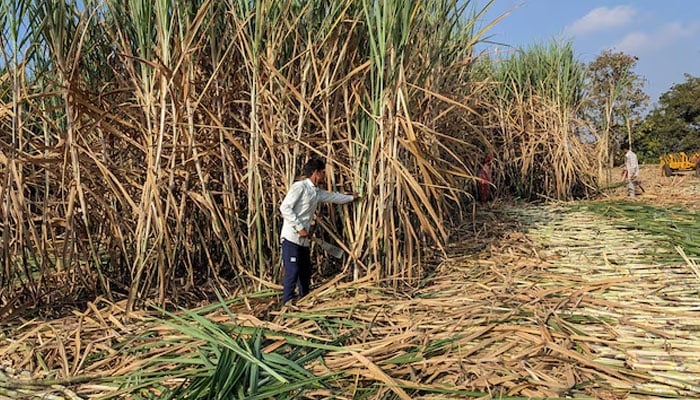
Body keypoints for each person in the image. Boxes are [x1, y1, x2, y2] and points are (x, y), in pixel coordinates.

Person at [279, 158, 359, 304]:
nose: (324, 176)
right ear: (315, 173)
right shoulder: (300, 187)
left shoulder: (316, 192)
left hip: (303, 241)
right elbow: (285, 207)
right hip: (291, 238)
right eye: (323, 173)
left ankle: (304, 299)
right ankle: (287, 302)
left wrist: (351, 198)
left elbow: (333, 197)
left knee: (305, 271)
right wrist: (299, 227)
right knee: (293, 271)